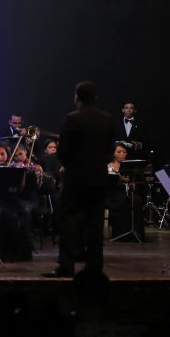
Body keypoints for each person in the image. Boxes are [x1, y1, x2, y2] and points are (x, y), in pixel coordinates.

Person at [44, 81, 115, 278]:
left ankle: (66, 265)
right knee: (95, 223)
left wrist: (72, 166)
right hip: (99, 178)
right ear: (95, 98)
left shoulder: (72, 118)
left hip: (76, 179)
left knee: (69, 222)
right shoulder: (107, 119)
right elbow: (110, 148)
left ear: (77, 97)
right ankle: (94, 267)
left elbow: (63, 151)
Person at [105, 142, 145, 241]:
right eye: (119, 152)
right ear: (113, 153)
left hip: (125, 192)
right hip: (111, 194)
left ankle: (136, 234)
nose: (122, 154)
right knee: (124, 201)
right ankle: (121, 234)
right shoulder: (107, 166)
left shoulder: (131, 167)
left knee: (136, 199)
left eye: (124, 152)